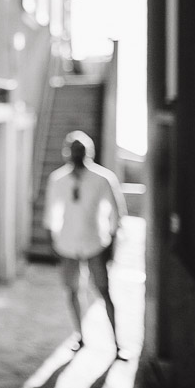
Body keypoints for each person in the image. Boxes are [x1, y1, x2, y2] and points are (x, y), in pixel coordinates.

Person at [43, 130, 127, 360]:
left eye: (80, 150)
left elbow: (117, 213)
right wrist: (53, 241)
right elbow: (51, 214)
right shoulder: (58, 180)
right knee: (72, 291)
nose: (76, 154)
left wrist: (111, 242)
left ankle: (118, 343)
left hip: (94, 243)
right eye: (73, 150)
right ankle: (80, 335)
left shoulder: (103, 178)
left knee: (103, 292)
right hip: (68, 244)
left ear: (87, 152)